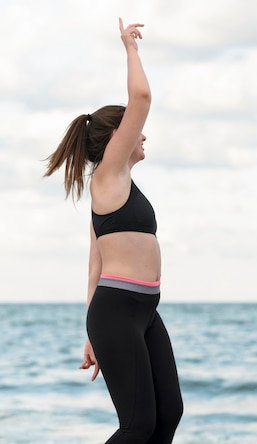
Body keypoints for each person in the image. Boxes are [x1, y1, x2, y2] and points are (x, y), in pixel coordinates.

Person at [44, 19, 183, 443]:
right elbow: (141, 96)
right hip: (119, 310)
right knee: (138, 425)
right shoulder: (109, 173)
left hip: (140, 312)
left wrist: (91, 332)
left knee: (168, 414)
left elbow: (94, 265)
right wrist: (130, 48)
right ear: (116, 139)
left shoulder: (113, 186)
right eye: (132, 130)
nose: (143, 135)